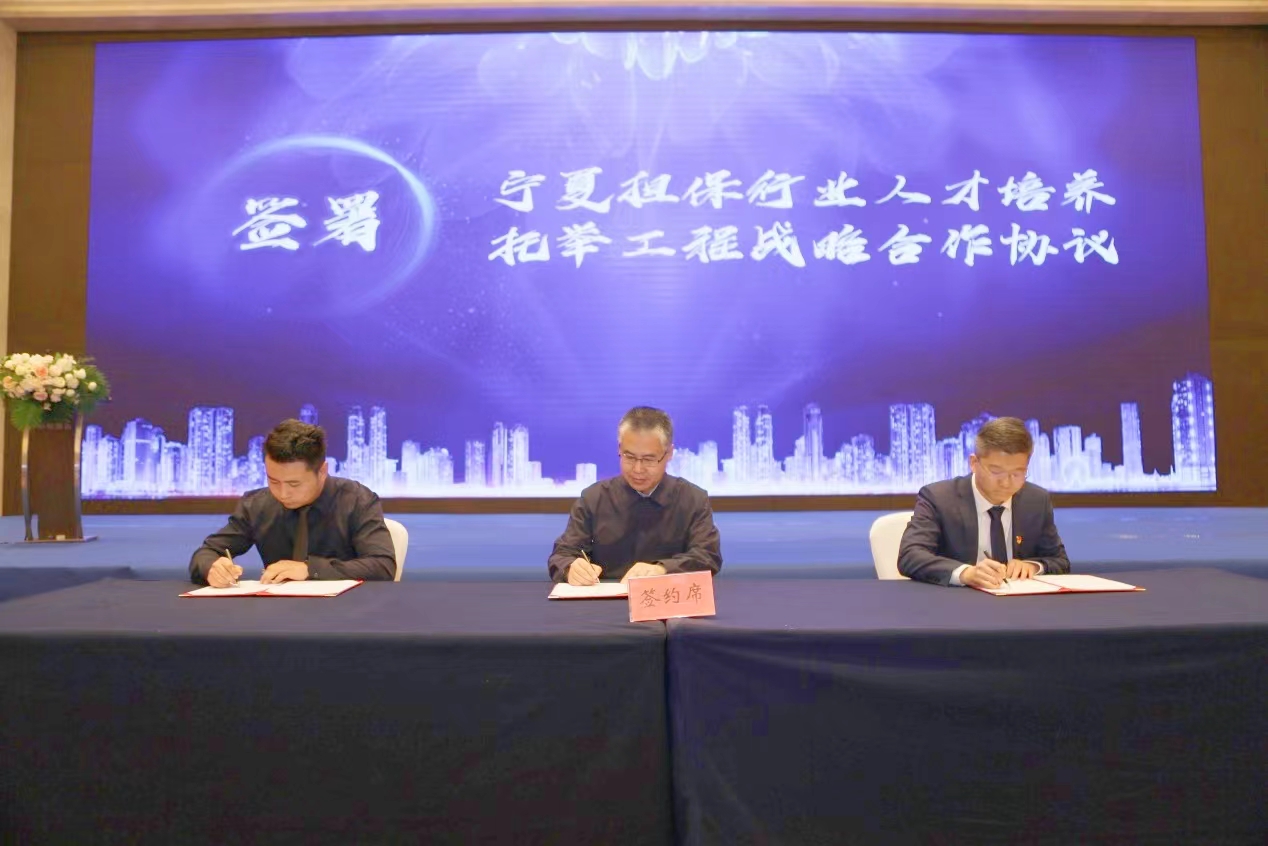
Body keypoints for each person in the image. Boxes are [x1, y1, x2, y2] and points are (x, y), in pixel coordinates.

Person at [189, 419, 396, 586]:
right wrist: (212, 567)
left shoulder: (357, 500)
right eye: (273, 481)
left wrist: (310, 569)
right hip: (278, 613)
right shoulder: (256, 505)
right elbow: (205, 553)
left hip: (347, 611)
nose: (282, 493)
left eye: (294, 484)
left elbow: (383, 566)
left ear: (322, 472)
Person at [548, 406, 722, 584]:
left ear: (669, 453)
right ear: (619, 449)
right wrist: (570, 568)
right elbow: (562, 554)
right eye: (629, 457)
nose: (638, 469)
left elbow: (707, 556)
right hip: (605, 597)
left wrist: (662, 569)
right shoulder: (593, 499)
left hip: (667, 597)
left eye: (648, 459)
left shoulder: (693, 499)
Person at [898, 416, 1070, 588]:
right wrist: (965, 573)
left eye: (1017, 474)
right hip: (958, 600)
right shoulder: (939, 498)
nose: (1006, 483)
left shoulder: (1036, 500)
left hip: (1018, 599)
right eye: (996, 472)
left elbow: (1059, 560)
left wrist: (1033, 566)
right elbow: (910, 555)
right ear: (974, 463)